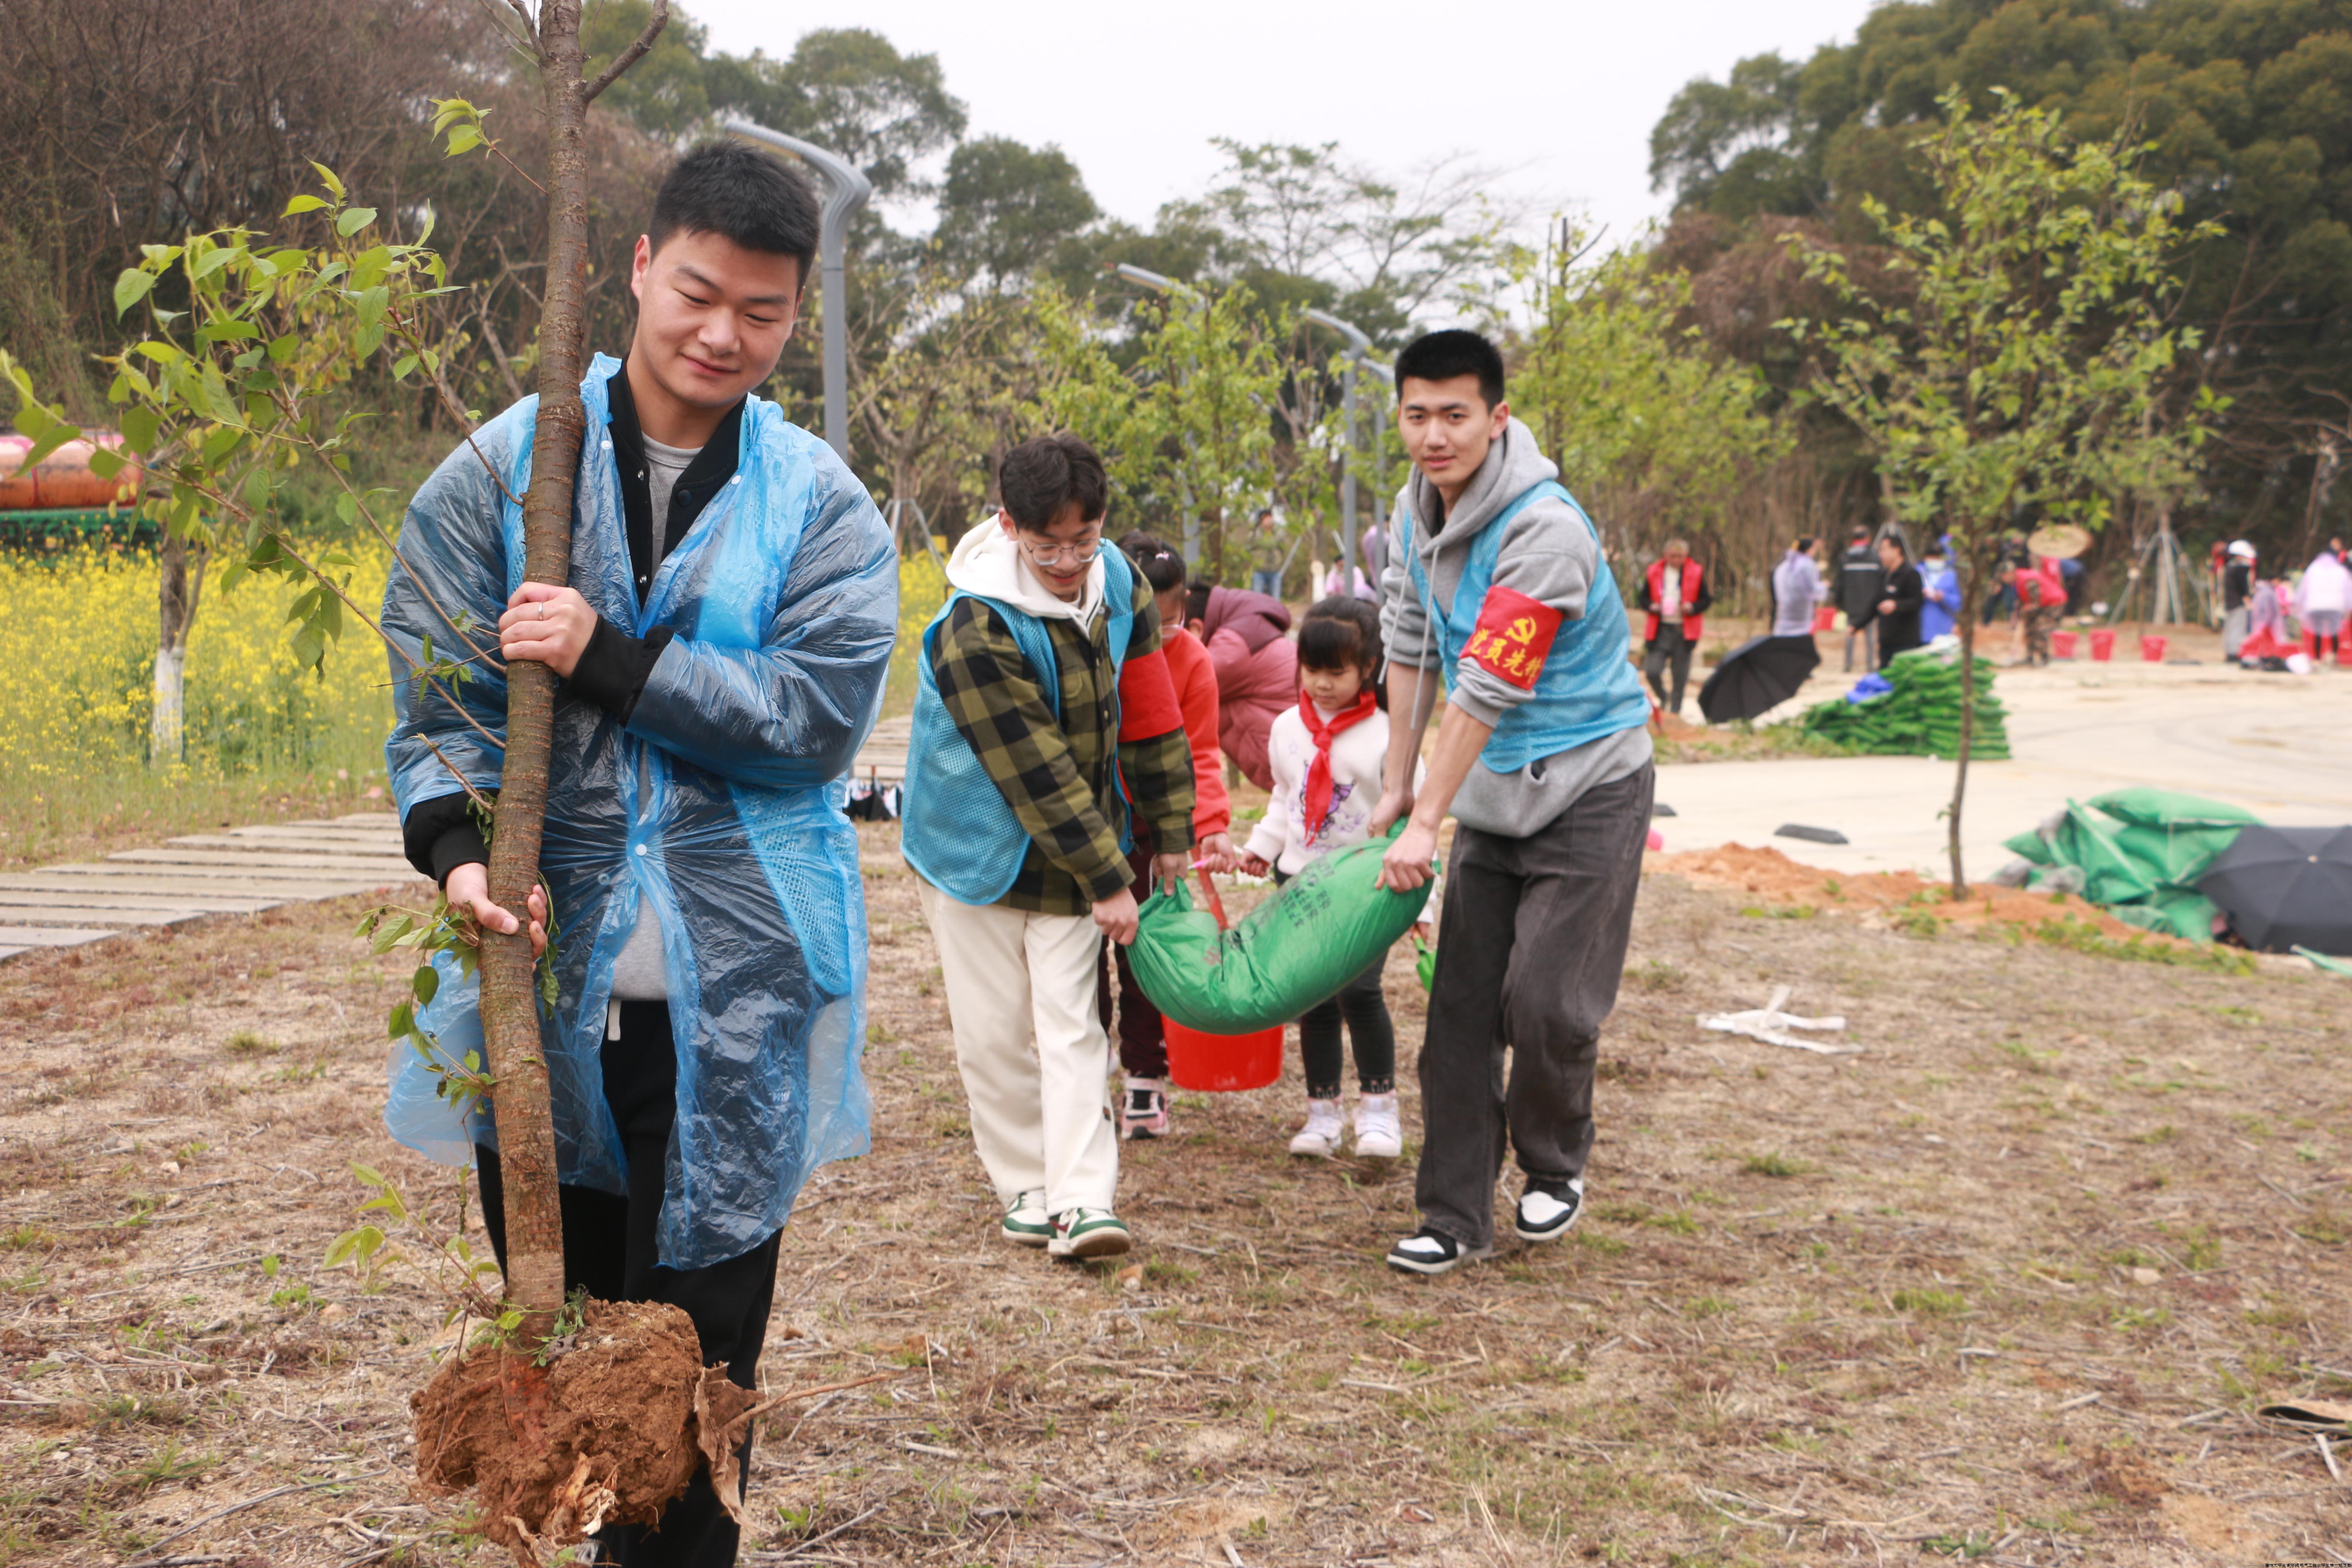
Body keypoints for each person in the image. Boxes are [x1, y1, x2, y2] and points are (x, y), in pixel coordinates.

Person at [382, 142, 897, 1567]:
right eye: (698, 292)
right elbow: (436, 702)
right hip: (538, 995)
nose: (723, 333)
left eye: (764, 309)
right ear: (637, 268)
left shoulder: (824, 507)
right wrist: (456, 856)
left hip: (739, 1009)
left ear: (795, 314)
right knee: (566, 1352)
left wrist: (609, 654)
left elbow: (810, 721)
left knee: (696, 1370)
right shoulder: (502, 471)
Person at [1365, 330, 1655, 1277]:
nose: (1435, 435)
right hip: (1494, 791)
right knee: (1459, 1008)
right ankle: (1453, 1215)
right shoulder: (1415, 514)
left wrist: (1424, 823)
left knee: (1546, 1002)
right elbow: (1409, 642)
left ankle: (1554, 1159)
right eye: (1418, 415)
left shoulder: (1546, 531)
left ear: (1498, 417)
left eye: (1456, 415)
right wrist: (1399, 778)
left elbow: (1488, 683)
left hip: (1591, 786)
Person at [900, 434, 1194, 1262]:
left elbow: (1149, 703)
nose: (1067, 560)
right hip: (974, 847)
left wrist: (1170, 827)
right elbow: (1033, 768)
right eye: (1046, 545)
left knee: (1072, 1023)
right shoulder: (974, 623)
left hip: (1075, 841)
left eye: (1083, 538)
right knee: (992, 1029)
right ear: (1008, 525)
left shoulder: (1121, 584)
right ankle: (1025, 1183)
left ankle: (1082, 1199)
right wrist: (1108, 875)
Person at [1238, 597, 1417, 1160]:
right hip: (1298, 880)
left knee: (1360, 993)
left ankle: (1380, 1110)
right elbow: (1284, 797)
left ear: (1368, 668)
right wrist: (1261, 848)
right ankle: (1322, 1114)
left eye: (1335, 672)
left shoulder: (1392, 738)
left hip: (1363, 887)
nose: (1319, 683)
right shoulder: (1288, 728)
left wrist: (1423, 907)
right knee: (1313, 999)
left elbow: (1413, 823)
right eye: (1311, 670)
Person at [1104, 532, 1236, 1140]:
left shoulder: (1192, 661)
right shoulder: (1090, 649)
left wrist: (1207, 828)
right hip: (1095, 825)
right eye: (1141, 622)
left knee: (1146, 958)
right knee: (1080, 956)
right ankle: (1084, 1074)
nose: (1156, 636)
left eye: (1170, 619)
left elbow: (1202, 752)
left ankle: (1145, 1082)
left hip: (1156, 833)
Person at [1184, 581, 1298, 790]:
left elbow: (1175, 693)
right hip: (1301, 762)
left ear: (1195, 629)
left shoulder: (1231, 650)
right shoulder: (1245, 627)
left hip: (1300, 766)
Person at [1635, 538, 1712, 716]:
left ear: (1686, 556)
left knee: (1680, 674)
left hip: (1684, 631)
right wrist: (1652, 606)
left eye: (1680, 556)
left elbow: (1706, 600)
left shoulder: (1696, 572)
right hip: (1660, 628)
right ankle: (1664, 696)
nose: (1677, 560)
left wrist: (1691, 607)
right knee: (1652, 670)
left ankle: (1676, 712)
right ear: (1665, 555)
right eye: (1673, 556)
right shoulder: (1654, 571)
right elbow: (1643, 598)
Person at [1867, 535, 1925, 666]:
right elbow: (1875, 604)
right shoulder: (1884, 575)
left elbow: (1917, 601)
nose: (1881, 554)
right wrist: (1856, 625)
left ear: (1897, 550)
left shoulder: (1911, 574)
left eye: (1884, 550)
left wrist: (1896, 605)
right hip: (1886, 639)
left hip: (1906, 641)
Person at [1999, 556, 2063, 666]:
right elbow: (2022, 600)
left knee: (2040, 628)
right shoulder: (2017, 581)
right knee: (2029, 628)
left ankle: (2044, 657)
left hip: (2052, 603)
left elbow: (2036, 601)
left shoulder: (2028, 580)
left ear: (2009, 573)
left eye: (2003, 576)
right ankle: (2030, 657)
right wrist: (2020, 613)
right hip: (2040, 605)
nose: (2003, 579)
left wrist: (2026, 612)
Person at [2294, 545, 2352, 664]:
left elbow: (2303, 589)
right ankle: (2334, 656)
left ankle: (2317, 658)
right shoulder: (2340, 570)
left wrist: (2298, 604)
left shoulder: (2313, 569)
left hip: (2315, 605)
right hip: (2336, 606)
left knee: (2317, 633)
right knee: (2334, 632)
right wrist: (2348, 607)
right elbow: (2348, 590)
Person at [1837, 525, 1883, 671]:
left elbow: (1839, 583)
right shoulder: (1875, 557)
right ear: (1867, 538)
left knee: (1851, 632)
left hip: (1851, 603)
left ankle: (1847, 665)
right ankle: (1870, 665)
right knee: (1870, 636)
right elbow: (1881, 580)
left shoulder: (1845, 557)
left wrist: (1840, 603)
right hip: (1871, 603)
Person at [1770, 536, 1825, 637]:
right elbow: (1812, 589)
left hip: (1783, 615)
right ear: (1809, 549)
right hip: (1801, 617)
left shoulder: (1784, 566)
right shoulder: (1807, 565)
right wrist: (1824, 586)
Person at [1919, 541, 1962, 643]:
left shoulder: (1950, 575)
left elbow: (1958, 604)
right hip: (1921, 628)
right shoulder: (1918, 573)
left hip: (1943, 628)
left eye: (1937, 558)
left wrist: (1944, 597)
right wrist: (1921, 594)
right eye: (1931, 558)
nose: (1934, 561)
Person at [2222, 540, 2256, 663]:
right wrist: (2248, 602)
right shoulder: (2240, 569)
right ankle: (2234, 653)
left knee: (2230, 628)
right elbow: (2243, 588)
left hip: (2230, 602)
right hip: (2238, 603)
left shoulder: (2229, 567)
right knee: (2237, 628)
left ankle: (2229, 652)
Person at [1248, 507, 1285, 598]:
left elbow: (1283, 549)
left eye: (1270, 517)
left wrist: (1278, 561)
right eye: (1266, 518)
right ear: (1261, 519)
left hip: (1275, 571)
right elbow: (1248, 549)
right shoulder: (1255, 534)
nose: (1269, 520)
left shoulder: (1278, 533)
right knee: (1258, 600)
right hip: (1259, 572)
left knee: (1276, 600)